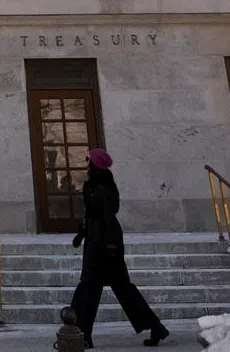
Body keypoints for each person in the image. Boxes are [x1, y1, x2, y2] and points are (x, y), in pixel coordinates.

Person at [69, 147, 169, 348]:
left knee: (96, 287)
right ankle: (82, 333)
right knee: (99, 288)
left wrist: (110, 244)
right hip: (95, 240)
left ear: (95, 164)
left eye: (89, 160)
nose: (86, 163)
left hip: (104, 244)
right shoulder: (92, 186)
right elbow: (90, 215)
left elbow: (109, 215)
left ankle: (81, 333)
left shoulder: (105, 187)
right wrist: (81, 234)